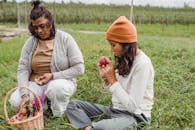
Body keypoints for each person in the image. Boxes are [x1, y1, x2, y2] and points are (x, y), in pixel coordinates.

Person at [66, 16, 155, 130]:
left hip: (135, 117)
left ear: (126, 44)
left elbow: (132, 106)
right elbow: (117, 94)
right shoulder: (125, 59)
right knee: (72, 105)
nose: (111, 49)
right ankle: (89, 128)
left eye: (113, 45)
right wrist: (107, 79)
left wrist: (113, 80)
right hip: (115, 110)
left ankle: (93, 127)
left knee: (101, 128)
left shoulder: (143, 64)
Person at [9, 0, 84, 117]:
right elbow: (22, 69)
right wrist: (25, 95)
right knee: (15, 101)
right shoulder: (30, 43)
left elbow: (79, 68)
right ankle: (42, 104)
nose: (39, 30)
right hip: (36, 83)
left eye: (42, 26)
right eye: (35, 27)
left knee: (56, 88)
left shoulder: (65, 39)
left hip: (60, 81)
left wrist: (53, 76)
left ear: (50, 23)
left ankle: (58, 113)